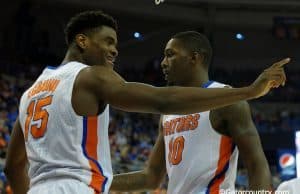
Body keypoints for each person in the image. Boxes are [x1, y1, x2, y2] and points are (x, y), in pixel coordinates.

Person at [4, 11, 288, 194]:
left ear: (195, 58)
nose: (115, 50)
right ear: (82, 41)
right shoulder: (92, 77)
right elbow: (162, 104)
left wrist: (103, 180)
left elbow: (14, 167)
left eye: (169, 55)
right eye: (108, 41)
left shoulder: (31, 92)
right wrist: (249, 91)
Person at [111, 31, 284, 194]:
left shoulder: (227, 101)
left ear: (194, 58)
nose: (163, 62)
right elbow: (150, 177)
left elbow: (256, 165)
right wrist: (96, 182)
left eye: (170, 54)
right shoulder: (168, 111)